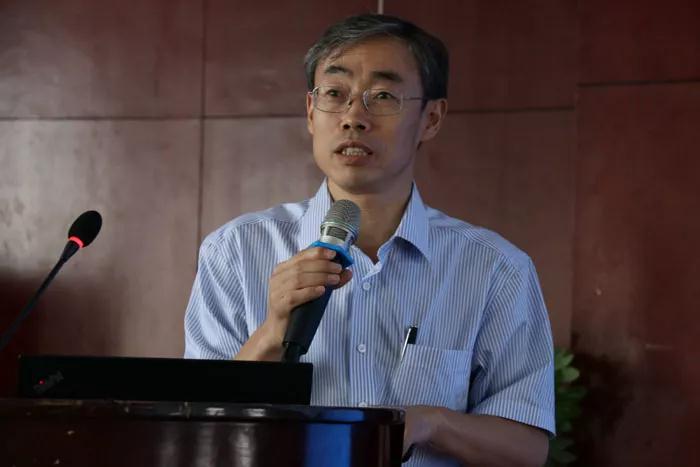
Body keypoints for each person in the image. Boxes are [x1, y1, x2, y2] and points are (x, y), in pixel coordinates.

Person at [185, 14, 555, 466]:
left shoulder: (494, 268)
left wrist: (430, 424)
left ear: (431, 118)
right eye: (334, 94)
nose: (353, 118)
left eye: (382, 97)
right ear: (310, 112)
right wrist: (271, 334)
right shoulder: (235, 250)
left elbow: (528, 449)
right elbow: (195, 428)